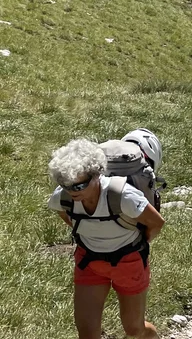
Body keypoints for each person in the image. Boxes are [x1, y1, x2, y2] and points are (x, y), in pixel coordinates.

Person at [47, 140, 165, 339]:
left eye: (80, 185)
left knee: (134, 329)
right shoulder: (63, 197)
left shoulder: (123, 196)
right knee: (87, 333)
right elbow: (66, 217)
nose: (73, 191)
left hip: (129, 263)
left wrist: (138, 244)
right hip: (89, 262)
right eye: (66, 185)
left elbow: (156, 222)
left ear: (97, 174)